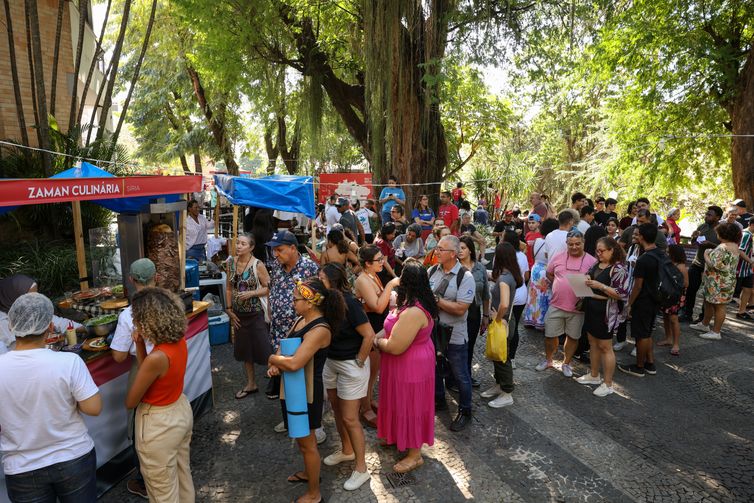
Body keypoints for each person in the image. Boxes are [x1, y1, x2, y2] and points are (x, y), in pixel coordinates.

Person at [0, 293, 102, 502]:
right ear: (49, 327)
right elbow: (94, 408)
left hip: (22, 466)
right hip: (73, 456)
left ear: (11, 326)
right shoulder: (69, 362)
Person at [266, 278, 344, 503]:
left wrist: (271, 358)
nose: (292, 303)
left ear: (310, 303)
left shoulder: (320, 329)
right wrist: (276, 363)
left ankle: (314, 494)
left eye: (296, 299)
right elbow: (285, 345)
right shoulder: (301, 319)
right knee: (301, 441)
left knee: (308, 444)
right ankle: (310, 474)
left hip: (307, 393)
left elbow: (293, 363)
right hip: (292, 389)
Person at [126, 287, 195, 502]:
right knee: (183, 479)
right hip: (180, 411)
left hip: (158, 424)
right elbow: (150, 368)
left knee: (162, 493)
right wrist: (139, 343)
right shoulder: (177, 341)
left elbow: (131, 401)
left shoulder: (157, 357)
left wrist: (139, 344)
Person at [373, 262, 437, 473]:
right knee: (397, 400)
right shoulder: (408, 302)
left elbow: (395, 346)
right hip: (400, 364)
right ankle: (397, 435)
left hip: (411, 365)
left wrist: (376, 342)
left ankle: (415, 455)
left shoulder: (414, 311)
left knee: (411, 405)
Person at [319, 264, 374, 491]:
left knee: (351, 418)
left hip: (351, 364)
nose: (317, 280)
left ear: (331, 280)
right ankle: (347, 450)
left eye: (320, 277)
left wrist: (359, 361)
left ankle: (362, 470)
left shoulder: (349, 302)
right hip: (331, 363)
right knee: (337, 410)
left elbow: (369, 335)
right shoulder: (325, 301)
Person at [110, 258, 158, 499]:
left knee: (137, 422)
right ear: (156, 278)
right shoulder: (168, 304)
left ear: (131, 280)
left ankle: (144, 479)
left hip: (143, 367)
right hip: (168, 365)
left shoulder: (128, 314)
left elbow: (118, 356)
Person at [266, 230, 320, 406]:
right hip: (279, 332)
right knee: (284, 377)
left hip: (301, 332)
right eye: (274, 250)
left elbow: (317, 300)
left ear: (293, 248)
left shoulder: (309, 267)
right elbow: (272, 288)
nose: (276, 254)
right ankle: (290, 416)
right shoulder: (275, 265)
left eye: (279, 249)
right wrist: (270, 309)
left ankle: (312, 422)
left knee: (303, 376)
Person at [429, 235, 476, 431]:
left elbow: (460, 309)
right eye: (437, 248)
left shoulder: (465, 277)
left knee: (460, 375)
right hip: (432, 332)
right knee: (435, 369)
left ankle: (465, 410)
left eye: (441, 249)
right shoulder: (432, 270)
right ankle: (439, 400)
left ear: (453, 254)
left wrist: (436, 301)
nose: (436, 251)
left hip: (455, 334)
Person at [536, 230, 597, 376]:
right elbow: (549, 273)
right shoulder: (558, 257)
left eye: (577, 244)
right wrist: (558, 284)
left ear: (583, 243)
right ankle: (549, 360)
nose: (574, 247)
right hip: (556, 304)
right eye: (571, 244)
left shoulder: (592, 261)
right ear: (566, 244)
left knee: (573, 337)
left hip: (578, 308)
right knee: (550, 335)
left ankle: (566, 363)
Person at [575, 237, 630, 397]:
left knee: (606, 347)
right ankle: (594, 375)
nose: (598, 254)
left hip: (606, 312)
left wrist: (601, 286)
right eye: (597, 251)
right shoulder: (596, 264)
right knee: (593, 343)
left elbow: (622, 293)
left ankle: (608, 383)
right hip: (592, 308)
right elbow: (589, 276)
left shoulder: (619, 268)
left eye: (602, 251)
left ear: (612, 250)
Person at [354, 245, 400, 427]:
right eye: (379, 260)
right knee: (369, 372)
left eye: (383, 258)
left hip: (377, 327)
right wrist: (390, 285)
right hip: (369, 329)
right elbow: (377, 306)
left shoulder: (373, 275)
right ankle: (364, 408)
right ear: (367, 263)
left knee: (374, 372)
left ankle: (368, 400)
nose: (383, 262)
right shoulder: (363, 279)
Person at [224, 234, 272, 399]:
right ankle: (251, 384)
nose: (238, 246)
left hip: (256, 313)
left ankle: (277, 382)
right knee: (245, 351)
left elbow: (268, 288)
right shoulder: (231, 262)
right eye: (238, 243)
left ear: (251, 247)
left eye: (243, 244)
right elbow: (229, 288)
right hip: (238, 314)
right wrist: (229, 309)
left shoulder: (258, 265)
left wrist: (252, 292)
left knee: (265, 348)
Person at [481, 242, 522, 408]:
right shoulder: (508, 274)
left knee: (502, 357)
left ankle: (507, 392)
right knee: (497, 356)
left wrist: (496, 318)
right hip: (504, 322)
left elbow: (504, 304)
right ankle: (499, 385)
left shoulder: (505, 279)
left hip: (502, 322)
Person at [0, 274, 84, 354]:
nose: (35, 300)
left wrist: (85, 328)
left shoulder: (30, 308)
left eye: (36, 294)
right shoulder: (3, 322)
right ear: (14, 296)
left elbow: (56, 321)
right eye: (30, 296)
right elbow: (21, 349)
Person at [618, 223, 662, 377]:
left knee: (641, 335)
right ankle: (650, 363)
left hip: (643, 300)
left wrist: (629, 304)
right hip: (655, 298)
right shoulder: (660, 253)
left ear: (642, 236)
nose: (634, 236)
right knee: (647, 332)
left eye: (636, 234)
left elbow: (637, 286)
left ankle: (639, 366)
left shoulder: (644, 259)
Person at [690, 223, 742, 340]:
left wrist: (706, 255)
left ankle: (716, 331)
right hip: (723, 281)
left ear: (723, 234)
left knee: (719, 306)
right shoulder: (733, 245)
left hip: (719, 282)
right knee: (709, 302)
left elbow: (714, 265)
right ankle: (704, 324)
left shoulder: (723, 247)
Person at [457, 236, 490, 388]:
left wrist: (486, 315)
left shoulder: (479, 268)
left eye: (463, 248)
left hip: (474, 312)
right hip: (456, 311)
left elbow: (485, 295)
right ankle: (453, 377)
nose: (459, 251)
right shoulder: (454, 267)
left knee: (469, 345)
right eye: (458, 248)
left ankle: (466, 375)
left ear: (470, 249)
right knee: (456, 346)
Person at [681, 206, 723, 322]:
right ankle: (687, 313)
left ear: (717, 217)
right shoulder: (702, 226)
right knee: (690, 289)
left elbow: (725, 248)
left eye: (710, 215)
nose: (706, 216)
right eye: (706, 214)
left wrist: (710, 244)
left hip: (711, 266)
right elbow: (695, 242)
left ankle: (703, 319)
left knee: (707, 293)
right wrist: (694, 238)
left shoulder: (722, 229)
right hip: (697, 263)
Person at [523, 218, 558, 330]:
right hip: (546, 270)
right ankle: (541, 321)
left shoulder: (537, 241)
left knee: (534, 295)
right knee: (544, 297)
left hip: (535, 269)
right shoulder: (551, 242)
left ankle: (530, 319)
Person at [502, 231, 530, 368]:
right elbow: (526, 277)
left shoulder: (502, 255)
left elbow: (497, 276)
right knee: (515, 326)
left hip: (506, 294)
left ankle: (501, 353)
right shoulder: (523, 256)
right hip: (521, 295)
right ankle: (512, 357)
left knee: (503, 325)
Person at [657, 244, 688, 355]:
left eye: (668, 252)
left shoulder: (681, 267)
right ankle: (668, 338)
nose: (666, 253)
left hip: (675, 296)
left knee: (673, 319)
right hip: (666, 294)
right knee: (665, 316)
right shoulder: (668, 263)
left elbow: (686, 284)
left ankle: (676, 344)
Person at [735, 217, 754, 320]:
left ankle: (741, 311)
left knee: (748, 288)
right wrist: (751, 261)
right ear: (752, 225)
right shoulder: (746, 235)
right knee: (734, 291)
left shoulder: (750, 235)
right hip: (740, 268)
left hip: (747, 269)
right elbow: (740, 250)